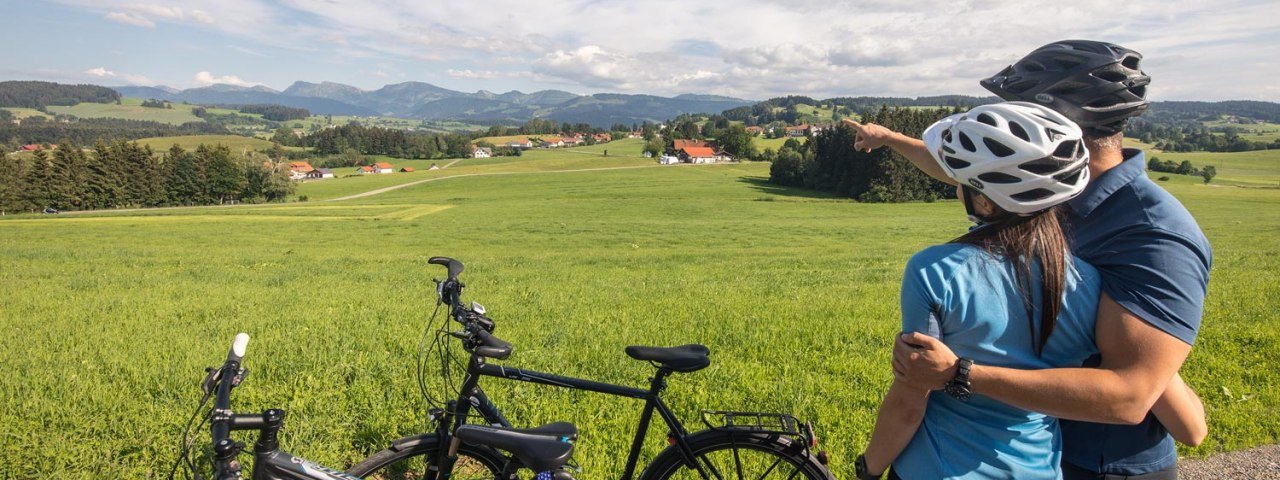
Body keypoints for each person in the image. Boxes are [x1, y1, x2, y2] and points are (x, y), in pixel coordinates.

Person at [847, 40, 1211, 479]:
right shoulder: (1044, 191)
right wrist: (888, 139)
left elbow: (1129, 395)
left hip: (1106, 465)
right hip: (1044, 452)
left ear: (1056, 124)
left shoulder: (1156, 233)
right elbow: (969, 170)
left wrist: (959, 373)